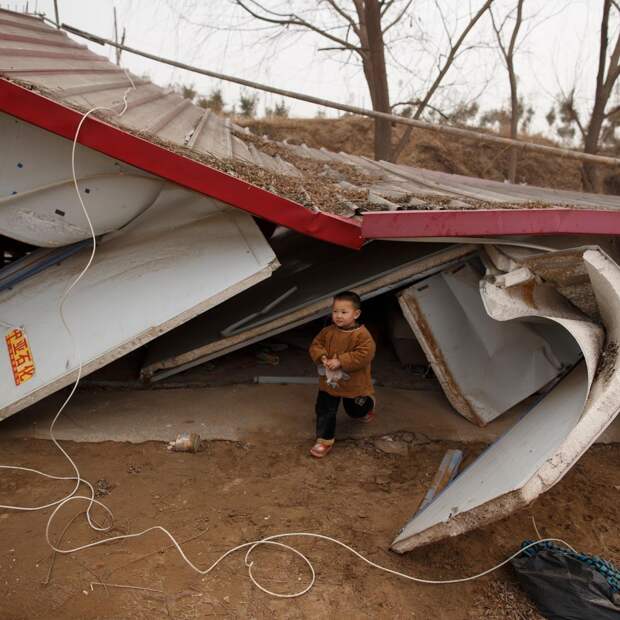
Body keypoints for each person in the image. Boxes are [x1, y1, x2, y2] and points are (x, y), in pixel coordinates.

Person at [308, 291, 376, 458]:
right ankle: (324, 440)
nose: (338, 316)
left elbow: (365, 354)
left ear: (356, 314)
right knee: (325, 409)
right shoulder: (327, 331)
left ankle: (367, 405)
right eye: (335, 311)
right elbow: (315, 345)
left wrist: (341, 361)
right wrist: (322, 356)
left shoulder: (362, 335)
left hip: (353, 383)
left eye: (344, 312)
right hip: (330, 382)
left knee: (355, 409)